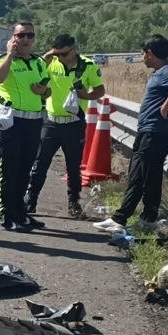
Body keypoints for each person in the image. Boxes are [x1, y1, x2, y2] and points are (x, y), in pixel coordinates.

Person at [94, 35, 168, 233]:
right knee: (151, 176)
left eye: (143, 53)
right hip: (152, 131)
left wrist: (165, 107)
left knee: (138, 175)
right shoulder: (161, 72)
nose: (142, 57)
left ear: (150, 53)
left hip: (154, 132)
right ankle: (149, 218)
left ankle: (120, 218)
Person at [28, 34, 106, 219]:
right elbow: (37, 76)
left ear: (74, 49)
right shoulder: (51, 62)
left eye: (64, 54)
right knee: (40, 163)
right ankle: (30, 200)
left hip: (74, 123)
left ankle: (73, 203)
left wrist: (85, 96)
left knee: (73, 166)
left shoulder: (88, 66)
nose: (60, 58)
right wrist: (49, 56)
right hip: (51, 121)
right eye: (58, 54)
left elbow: (100, 90)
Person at [0, 21, 51, 232]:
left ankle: (20, 212)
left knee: (25, 169)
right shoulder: (2, 60)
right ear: (13, 38)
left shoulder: (39, 63)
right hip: (11, 121)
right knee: (8, 169)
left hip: (33, 121)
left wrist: (43, 90)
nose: (25, 39)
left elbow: (48, 91)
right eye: (21, 35)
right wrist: (9, 55)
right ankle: (6, 214)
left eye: (29, 35)